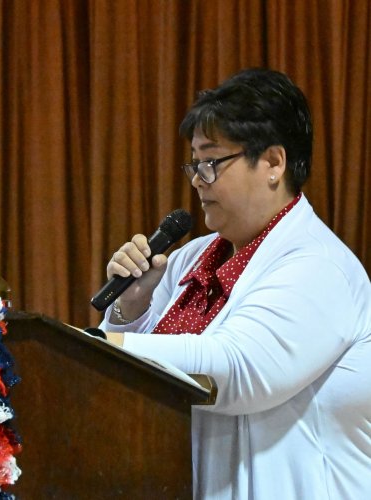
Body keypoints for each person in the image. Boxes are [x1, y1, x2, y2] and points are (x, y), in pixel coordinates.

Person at [99, 68, 371, 499]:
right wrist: (130, 310)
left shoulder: (319, 266)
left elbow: (236, 371)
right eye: (194, 162)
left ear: (273, 163)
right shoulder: (191, 257)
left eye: (211, 162)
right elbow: (137, 384)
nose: (196, 179)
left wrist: (103, 347)